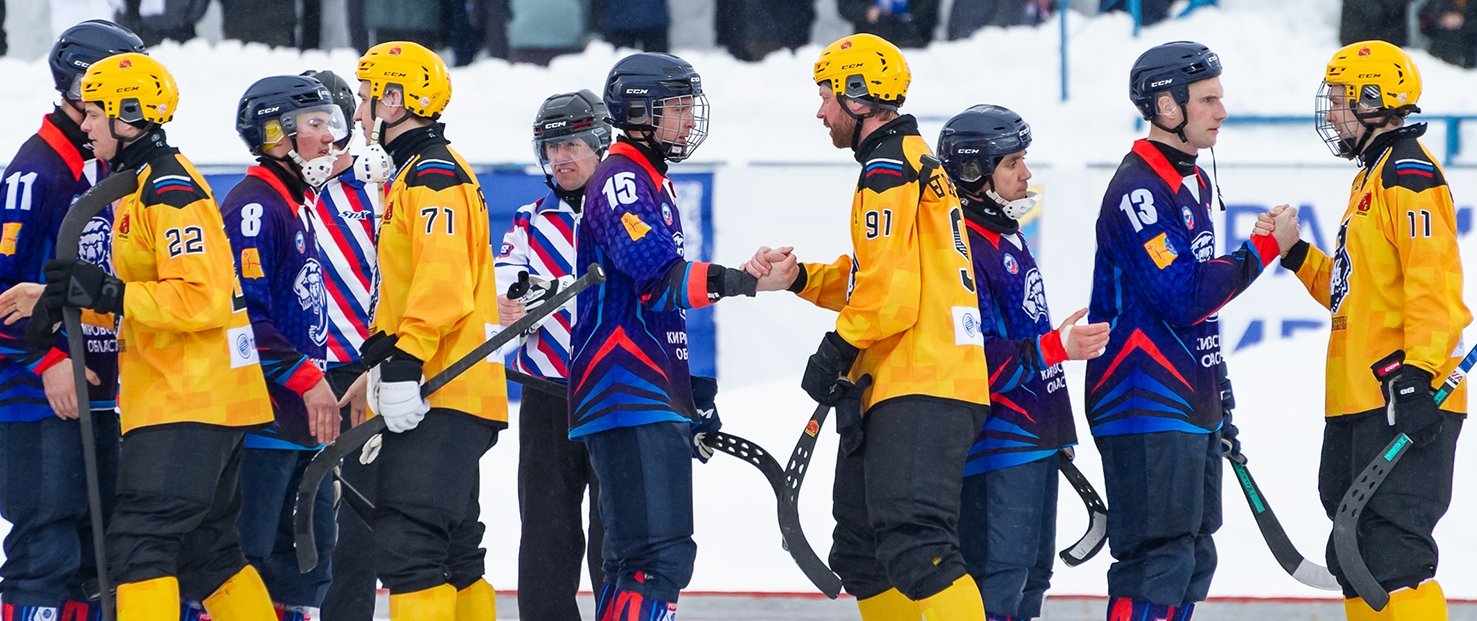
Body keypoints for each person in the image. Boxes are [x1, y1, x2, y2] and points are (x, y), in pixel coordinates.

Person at [746, 32, 991, 620]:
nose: (821, 112)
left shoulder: (888, 168)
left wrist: (836, 348)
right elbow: (879, 277)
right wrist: (802, 277)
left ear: (857, 98)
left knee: (918, 547)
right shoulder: (906, 161)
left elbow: (891, 298)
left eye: (826, 96)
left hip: (921, 381)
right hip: (910, 380)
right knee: (863, 553)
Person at [38, 51, 277, 620]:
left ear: (129, 115)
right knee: (209, 554)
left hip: (188, 398)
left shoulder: (168, 190)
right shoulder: (143, 184)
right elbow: (151, 301)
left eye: (94, 113)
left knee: (139, 545)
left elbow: (199, 298)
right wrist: (59, 300)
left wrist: (106, 293)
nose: (85, 124)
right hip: (195, 395)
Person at [569, 51, 791, 619]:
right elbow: (657, 277)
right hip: (626, 391)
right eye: (678, 107)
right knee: (654, 558)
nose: (690, 119)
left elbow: (649, 303)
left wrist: (684, 390)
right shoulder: (621, 178)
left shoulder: (648, 179)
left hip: (643, 390)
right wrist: (745, 281)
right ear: (639, 112)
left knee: (638, 558)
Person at [1085, 41, 1293, 620]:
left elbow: (1198, 302)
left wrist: (1215, 385)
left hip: (1186, 397)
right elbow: (1182, 294)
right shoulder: (1138, 190)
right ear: (1166, 107)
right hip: (1142, 399)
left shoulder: (1191, 181)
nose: (1221, 112)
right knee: (1158, 560)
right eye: (1207, 100)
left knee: (1193, 557)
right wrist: (1261, 250)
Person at [1280, 40, 1468, 620]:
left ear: (1373, 101)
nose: (1333, 112)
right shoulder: (1371, 177)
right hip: (1358, 396)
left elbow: (1434, 283)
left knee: (1394, 556)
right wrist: (1297, 255)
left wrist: (1419, 374)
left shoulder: (1408, 173)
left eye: (1340, 99)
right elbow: (1353, 292)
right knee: (1354, 554)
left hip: (1401, 392)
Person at [341, 40, 508, 619]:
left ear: (394, 100)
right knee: (456, 551)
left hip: (441, 385)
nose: (358, 113)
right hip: (446, 384)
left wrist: (406, 361)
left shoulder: (432, 176)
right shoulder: (416, 172)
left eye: (365, 97)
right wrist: (380, 361)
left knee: (409, 545)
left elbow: (442, 284)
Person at [936, 104, 1110, 620]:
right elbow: (972, 357)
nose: (1026, 174)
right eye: (1012, 163)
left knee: (1031, 582)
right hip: (994, 449)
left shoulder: (1004, 233)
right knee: (997, 584)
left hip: (1032, 442)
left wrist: (1054, 429)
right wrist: (1056, 348)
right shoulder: (961, 249)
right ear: (974, 172)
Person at [0, 19, 139, 621]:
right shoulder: (37, 172)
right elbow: (4, 287)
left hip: (99, 391)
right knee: (45, 549)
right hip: (36, 395)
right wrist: (47, 360)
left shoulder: (104, 163)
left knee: (95, 554)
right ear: (83, 86)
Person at [204, 74, 347, 621]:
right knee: (249, 558)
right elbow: (244, 316)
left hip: (299, 422)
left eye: (330, 123)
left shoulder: (295, 202)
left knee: (308, 564)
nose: (329, 136)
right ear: (275, 135)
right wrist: (308, 380)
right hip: (263, 422)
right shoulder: (255, 206)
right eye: (315, 124)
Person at [494, 89, 610, 621]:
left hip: (615, 393)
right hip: (547, 396)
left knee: (616, 536)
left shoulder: (632, 210)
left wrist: (551, 289)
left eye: (571, 145)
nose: (560, 157)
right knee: (545, 533)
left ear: (600, 144)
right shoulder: (529, 218)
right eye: (551, 147)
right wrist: (511, 298)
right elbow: (506, 287)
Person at [305, 67, 386, 621]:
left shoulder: (376, 185)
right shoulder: (275, 193)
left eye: (329, 120)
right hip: (295, 375)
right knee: (295, 513)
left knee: (357, 521)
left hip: (357, 371)